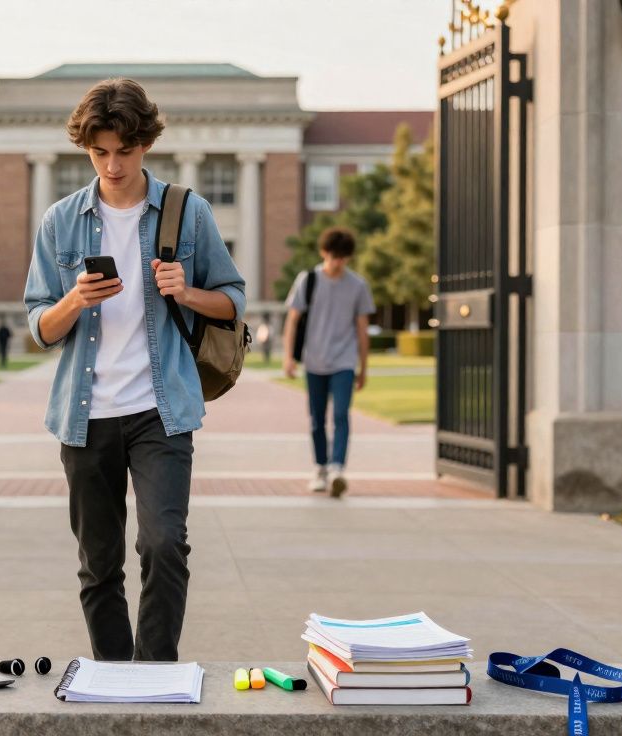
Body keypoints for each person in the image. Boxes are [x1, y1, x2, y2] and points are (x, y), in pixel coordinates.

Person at [23, 78, 245, 662]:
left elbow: (234, 302)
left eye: (124, 150)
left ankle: (154, 676)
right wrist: (75, 300)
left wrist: (188, 292)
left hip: (160, 411)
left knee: (164, 543)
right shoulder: (61, 221)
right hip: (85, 415)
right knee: (99, 563)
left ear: (145, 142)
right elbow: (39, 325)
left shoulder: (185, 211)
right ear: (87, 149)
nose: (113, 165)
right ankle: (115, 681)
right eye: (100, 152)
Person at [281, 227, 375, 497]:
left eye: (344, 258)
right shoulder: (307, 280)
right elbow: (293, 320)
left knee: (341, 415)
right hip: (314, 360)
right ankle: (320, 468)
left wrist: (363, 368)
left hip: (344, 361)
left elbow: (362, 328)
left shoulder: (358, 285)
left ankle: (337, 469)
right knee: (316, 419)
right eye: (335, 257)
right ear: (324, 252)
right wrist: (288, 358)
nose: (339, 263)